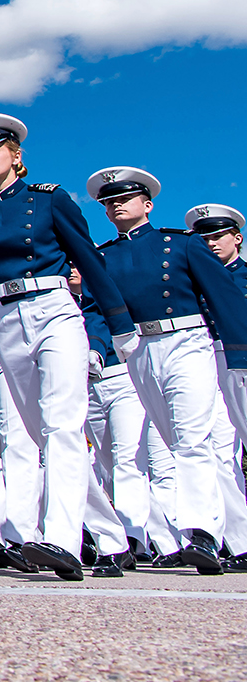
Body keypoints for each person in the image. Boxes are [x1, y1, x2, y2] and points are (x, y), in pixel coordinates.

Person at [0, 114, 135, 580]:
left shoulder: (49, 200)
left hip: (54, 309)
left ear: (16, 154)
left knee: (63, 426)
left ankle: (61, 541)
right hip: (6, 317)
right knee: (32, 434)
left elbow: (88, 258)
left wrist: (118, 322)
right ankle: (111, 538)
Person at [91, 167, 247, 573]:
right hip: (139, 350)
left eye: (124, 198)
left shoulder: (181, 245)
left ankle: (203, 534)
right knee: (174, 443)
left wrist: (239, 355)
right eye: (109, 202)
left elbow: (224, 295)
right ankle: (216, 533)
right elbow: (95, 308)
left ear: (147, 204)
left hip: (189, 341)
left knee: (193, 439)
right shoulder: (103, 256)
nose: (116, 205)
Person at [187, 203, 247, 569]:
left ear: (236, 238)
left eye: (217, 236)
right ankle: (239, 543)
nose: (210, 243)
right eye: (203, 237)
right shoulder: (191, 281)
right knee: (218, 452)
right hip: (205, 358)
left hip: (241, 357)